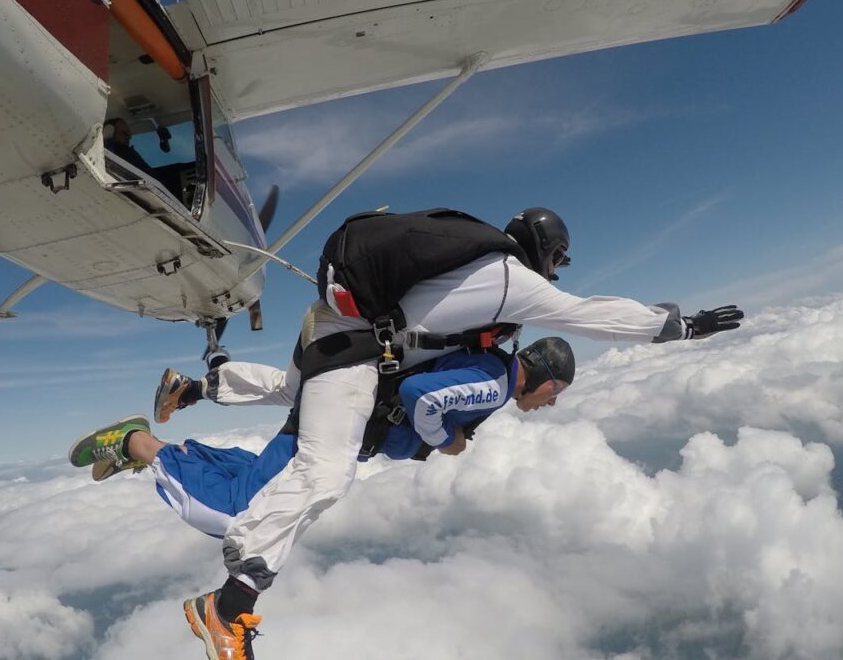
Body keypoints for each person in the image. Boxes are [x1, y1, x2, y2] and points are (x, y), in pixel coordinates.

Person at [166, 205, 743, 660]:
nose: (557, 271)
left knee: (300, 392)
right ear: (545, 250)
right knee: (327, 468)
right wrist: (676, 327)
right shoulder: (510, 277)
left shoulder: (468, 266)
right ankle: (230, 603)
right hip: (351, 335)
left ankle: (199, 386)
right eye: (559, 258)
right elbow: (590, 313)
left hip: (331, 326)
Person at [69, 337, 575, 659]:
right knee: (234, 514)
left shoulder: (485, 359)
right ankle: (137, 444)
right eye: (554, 395)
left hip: (339, 385)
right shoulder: (495, 383)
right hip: (343, 421)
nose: (549, 404)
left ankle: (180, 440)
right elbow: (421, 398)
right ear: (548, 381)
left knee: (261, 486)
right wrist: (450, 441)